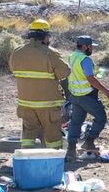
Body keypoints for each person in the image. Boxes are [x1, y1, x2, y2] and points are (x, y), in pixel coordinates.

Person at [9, 19, 70, 149]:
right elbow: (64, 73)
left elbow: (13, 69)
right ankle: (53, 157)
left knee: (28, 136)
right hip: (48, 105)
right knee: (53, 137)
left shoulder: (17, 52)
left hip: (25, 103)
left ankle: (26, 156)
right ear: (45, 37)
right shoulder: (50, 53)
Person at [66, 35, 109, 161]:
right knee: (101, 117)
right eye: (91, 47)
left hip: (75, 95)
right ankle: (89, 142)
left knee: (76, 122)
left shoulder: (72, 56)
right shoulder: (86, 59)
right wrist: (106, 91)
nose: (92, 49)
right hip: (86, 96)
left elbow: (79, 75)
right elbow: (91, 79)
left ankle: (71, 150)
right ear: (84, 46)